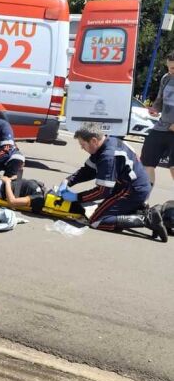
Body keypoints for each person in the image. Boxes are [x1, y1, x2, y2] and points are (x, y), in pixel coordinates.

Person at [58, 123, 167, 242]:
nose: (82, 148)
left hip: (132, 190)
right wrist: (68, 181)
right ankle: (137, 210)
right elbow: (88, 171)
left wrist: (76, 197)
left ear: (94, 141)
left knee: (97, 221)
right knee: (98, 210)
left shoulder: (107, 156)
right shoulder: (108, 142)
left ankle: (146, 219)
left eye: (83, 144)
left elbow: (103, 191)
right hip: (132, 186)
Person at [140, 52, 174, 187]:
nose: (170, 71)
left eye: (173, 68)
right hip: (161, 127)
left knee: (173, 168)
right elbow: (159, 100)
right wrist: (155, 109)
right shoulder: (166, 78)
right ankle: (143, 201)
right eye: (169, 67)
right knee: (147, 163)